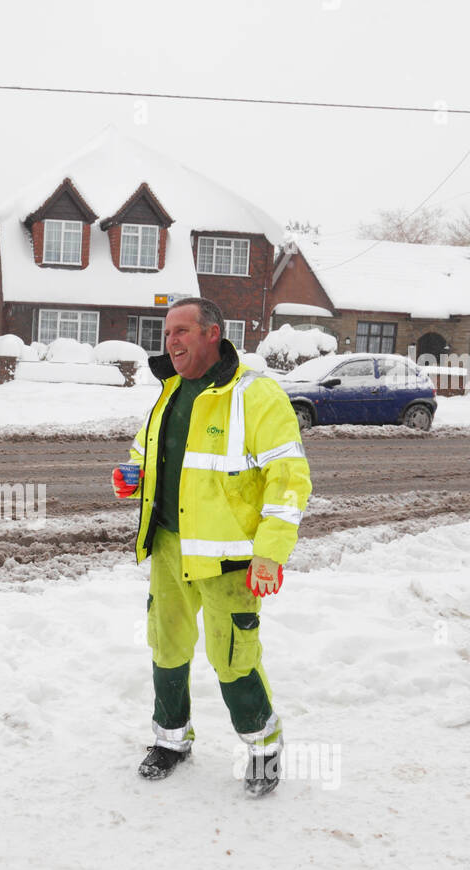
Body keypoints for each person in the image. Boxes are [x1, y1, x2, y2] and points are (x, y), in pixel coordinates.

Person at [113, 297, 311, 795]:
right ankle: (171, 740)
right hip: (169, 547)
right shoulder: (171, 391)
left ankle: (264, 747)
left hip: (230, 559)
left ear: (212, 334)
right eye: (166, 333)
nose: (171, 341)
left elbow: (289, 478)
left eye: (182, 330)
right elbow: (148, 452)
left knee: (233, 658)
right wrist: (132, 476)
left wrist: (271, 552)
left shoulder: (256, 395)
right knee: (167, 646)